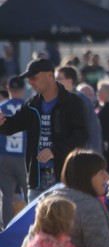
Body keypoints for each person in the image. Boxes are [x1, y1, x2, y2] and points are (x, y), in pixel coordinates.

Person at [0, 58, 89, 200]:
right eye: (29, 79)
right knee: (36, 222)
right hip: (37, 179)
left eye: (34, 78)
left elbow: (81, 136)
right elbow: (13, 125)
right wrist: (2, 123)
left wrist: (54, 150)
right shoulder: (32, 104)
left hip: (63, 179)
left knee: (61, 222)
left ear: (49, 75)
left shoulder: (72, 103)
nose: (30, 82)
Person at [0, 76, 27, 227]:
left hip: (4, 155)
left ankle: (6, 228)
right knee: (30, 193)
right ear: (23, 89)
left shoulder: (2, 106)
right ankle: (31, 226)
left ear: (8, 89)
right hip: (23, 156)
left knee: (7, 196)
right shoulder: (29, 106)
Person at [56, 65, 102, 154]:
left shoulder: (82, 101)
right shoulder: (53, 99)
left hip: (79, 155)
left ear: (69, 81)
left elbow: (92, 129)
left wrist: (95, 156)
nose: (54, 82)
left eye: (58, 79)